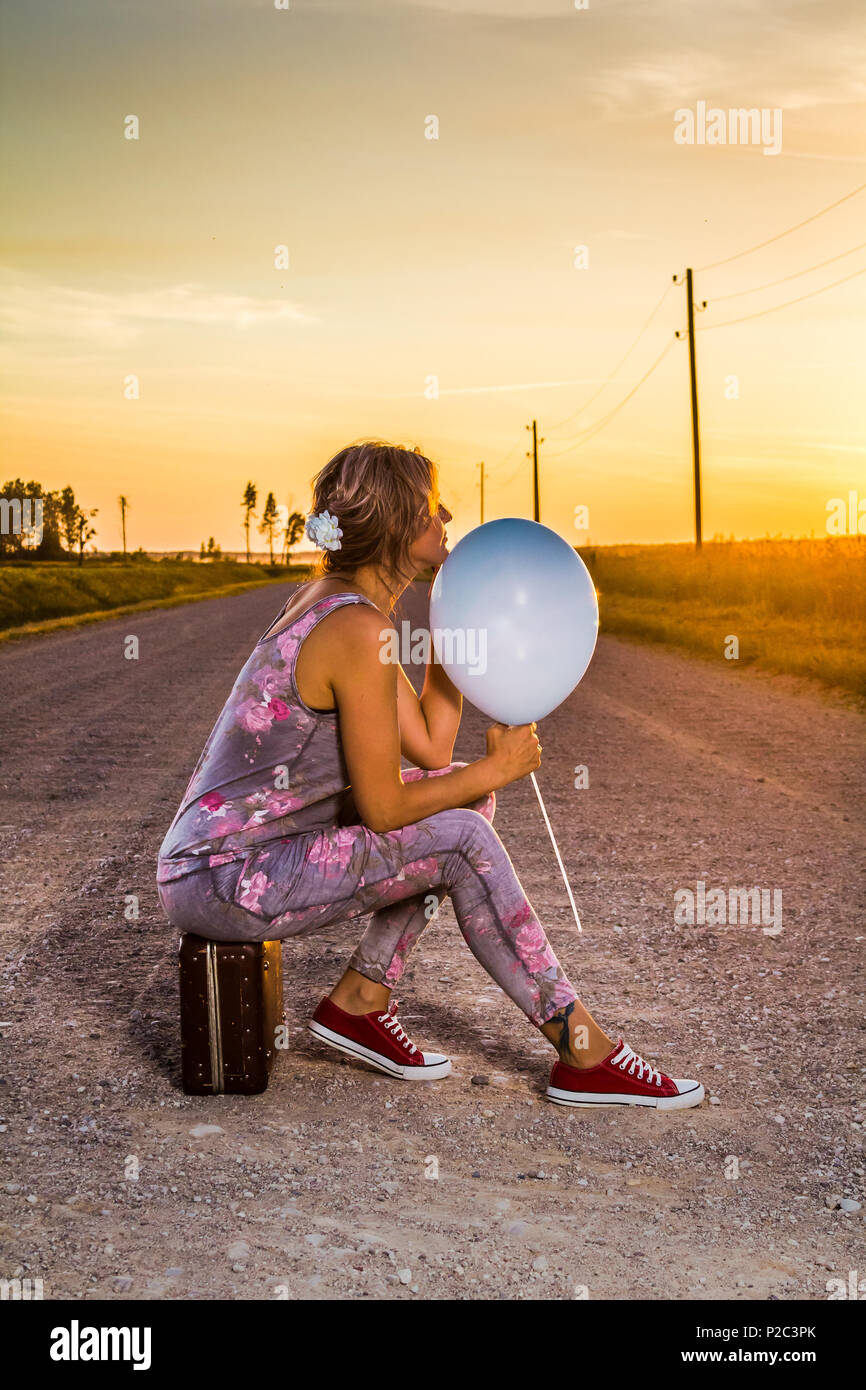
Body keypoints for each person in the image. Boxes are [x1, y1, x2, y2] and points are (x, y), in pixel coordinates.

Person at [157, 441, 704, 1110]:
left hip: (231, 861)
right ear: (394, 525)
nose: (445, 515)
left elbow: (428, 746)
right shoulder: (353, 628)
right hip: (224, 874)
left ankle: (361, 1000)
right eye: (428, 505)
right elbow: (384, 809)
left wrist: (460, 633)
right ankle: (582, 1050)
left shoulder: (349, 608)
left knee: (473, 802)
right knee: (461, 837)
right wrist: (494, 763)